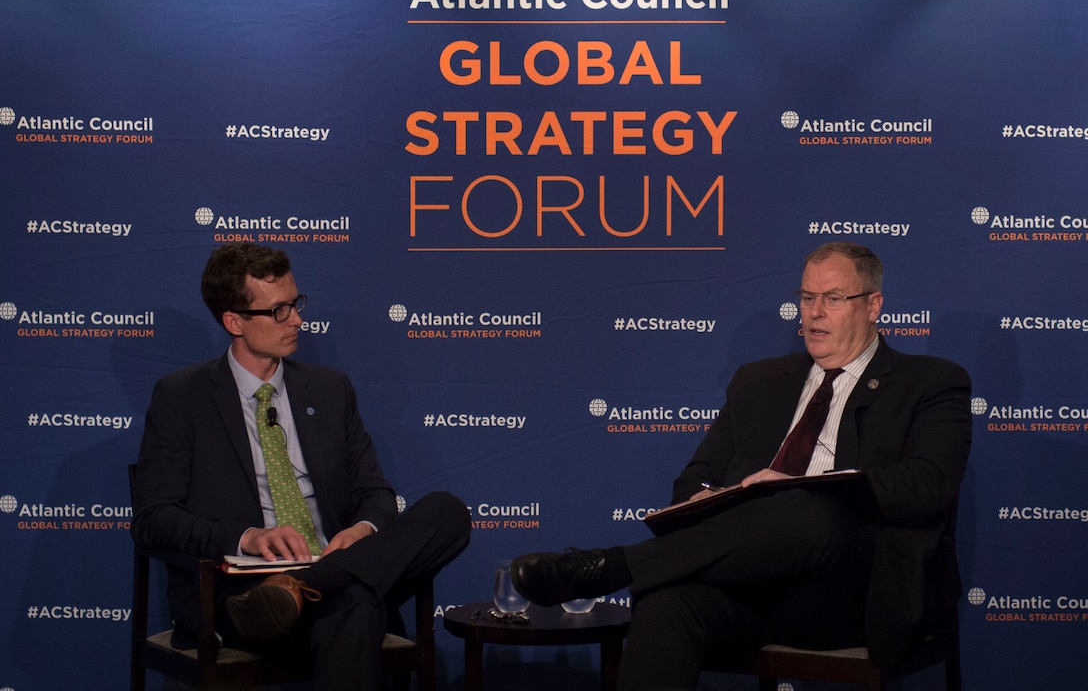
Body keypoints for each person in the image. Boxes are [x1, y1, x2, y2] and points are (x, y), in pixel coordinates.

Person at [512, 242, 971, 690]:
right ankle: (632, 572)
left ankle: (611, 568)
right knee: (667, 600)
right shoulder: (760, 381)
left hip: (851, 594)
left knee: (804, 505)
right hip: (749, 585)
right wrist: (705, 499)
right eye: (806, 298)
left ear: (873, 306)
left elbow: (929, 485)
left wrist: (808, 487)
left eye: (832, 299)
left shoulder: (930, 382)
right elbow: (698, 475)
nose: (813, 313)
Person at [132, 243, 471, 691]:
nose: (297, 320)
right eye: (278, 311)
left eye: (296, 304)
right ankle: (318, 585)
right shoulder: (182, 398)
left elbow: (375, 493)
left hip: (331, 562)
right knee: (355, 604)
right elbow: (153, 519)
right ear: (233, 321)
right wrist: (248, 537)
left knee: (448, 511)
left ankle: (313, 583)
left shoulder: (330, 390)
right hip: (244, 593)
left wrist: (363, 530)